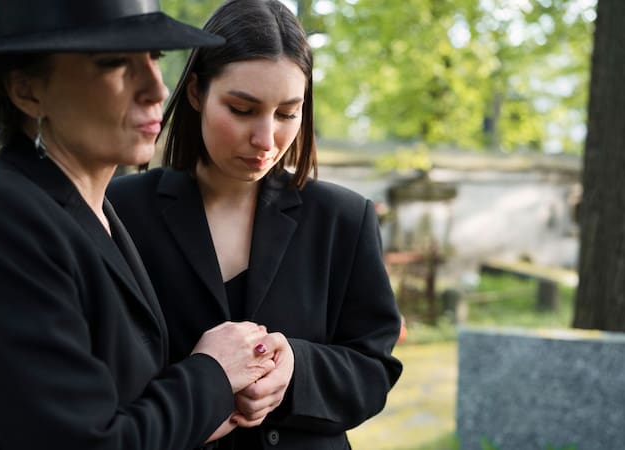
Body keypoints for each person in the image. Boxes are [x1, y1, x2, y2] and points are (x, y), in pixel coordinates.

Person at [0, 1, 288, 449]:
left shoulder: (97, 213)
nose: (156, 89)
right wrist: (213, 376)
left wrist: (228, 393)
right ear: (27, 91)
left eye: (154, 58)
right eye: (114, 63)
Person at [107, 0, 404, 449]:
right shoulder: (120, 211)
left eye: (287, 113)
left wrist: (295, 371)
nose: (266, 140)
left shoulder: (343, 218)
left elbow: (373, 369)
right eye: (242, 110)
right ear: (195, 93)